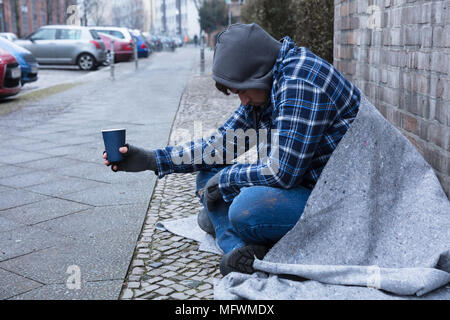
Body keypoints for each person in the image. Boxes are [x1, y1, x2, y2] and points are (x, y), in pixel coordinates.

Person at [103, 23, 361, 276]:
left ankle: (227, 230)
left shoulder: (301, 81)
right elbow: (219, 146)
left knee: (244, 210)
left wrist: (224, 182)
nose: (243, 100)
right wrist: (151, 159)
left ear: (257, 72)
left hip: (339, 202)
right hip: (304, 185)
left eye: (242, 91)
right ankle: (238, 248)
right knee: (209, 172)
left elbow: (283, 173)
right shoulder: (269, 80)